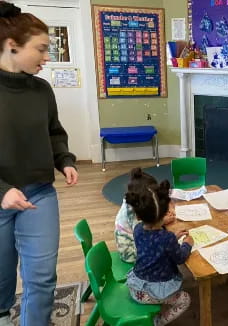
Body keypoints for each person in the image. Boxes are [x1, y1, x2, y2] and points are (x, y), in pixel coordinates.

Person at [0, 2, 78, 325]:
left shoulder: (42, 90)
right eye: (42, 49)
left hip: (40, 195)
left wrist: (65, 160)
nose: (48, 57)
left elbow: (54, 132)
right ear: (11, 46)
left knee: (42, 278)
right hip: (0, 199)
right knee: (2, 276)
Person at [125, 179, 193, 326]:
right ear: (164, 215)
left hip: (135, 286)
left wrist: (173, 238)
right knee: (185, 299)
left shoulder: (138, 229)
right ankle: (158, 322)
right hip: (150, 293)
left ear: (139, 216)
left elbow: (153, 246)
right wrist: (188, 244)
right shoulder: (166, 238)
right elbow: (180, 258)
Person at [115, 167, 175, 263]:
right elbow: (144, 233)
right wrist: (161, 220)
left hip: (134, 242)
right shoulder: (132, 212)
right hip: (131, 253)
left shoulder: (135, 202)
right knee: (166, 252)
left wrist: (158, 211)